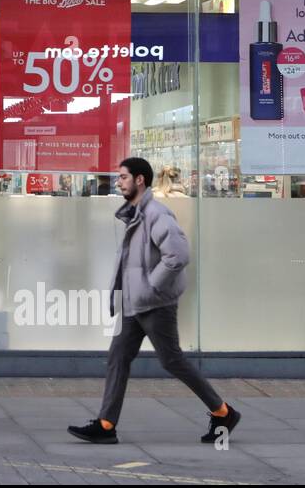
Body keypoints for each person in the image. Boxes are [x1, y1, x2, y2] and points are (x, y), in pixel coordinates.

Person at [68, 157, 240, 445]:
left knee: (172, 361)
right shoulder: (135, 213)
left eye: (123, 177)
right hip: (133, 306)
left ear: (139, 180)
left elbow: (179, 255)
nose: (119, 182)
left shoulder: (157, 214)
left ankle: (223, 412)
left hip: (154, 305)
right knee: (117, 358)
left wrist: (151, 286)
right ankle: (106, 424)